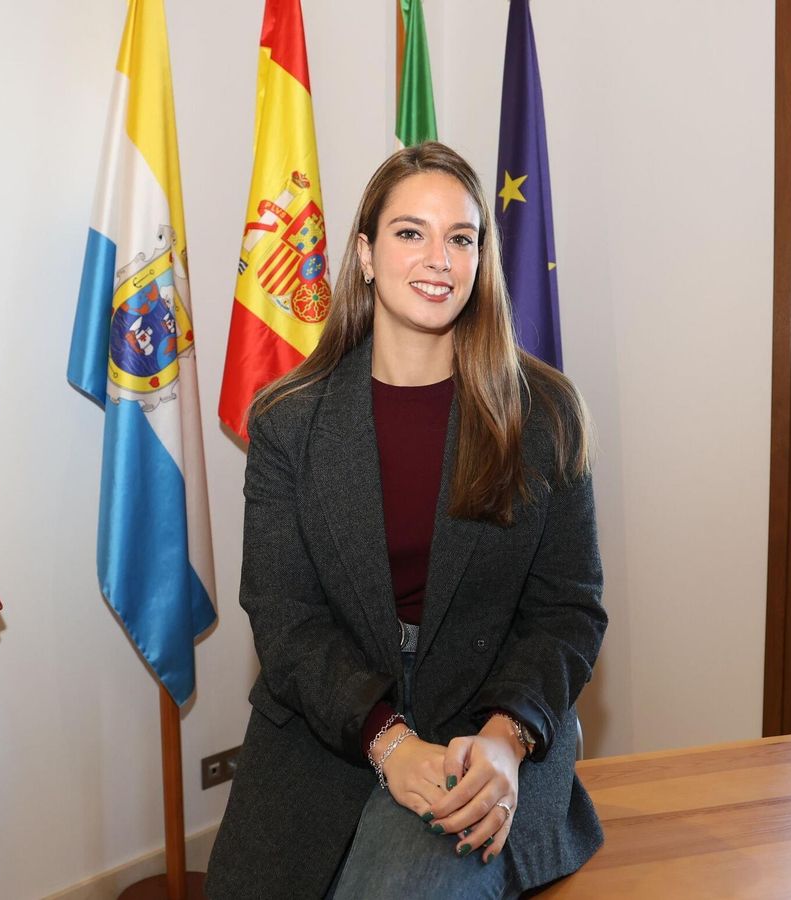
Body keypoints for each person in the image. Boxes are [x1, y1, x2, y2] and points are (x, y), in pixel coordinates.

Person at [206, 142, 606, 900]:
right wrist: (388, 742)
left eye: (461, 237)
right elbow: (285, 619)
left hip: (488, 726)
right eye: (410, 232)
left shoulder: (546, 416)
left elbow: (568, 611)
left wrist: (508, 737)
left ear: (481, 259)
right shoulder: (289, 422)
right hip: (327, 725)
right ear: (363, 253)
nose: (439, 259)